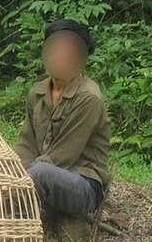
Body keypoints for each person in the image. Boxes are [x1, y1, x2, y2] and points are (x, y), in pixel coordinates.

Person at [14, 19, 111, 225]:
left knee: (39, 174)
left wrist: (22, 179)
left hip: (83, 185)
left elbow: (62, 156)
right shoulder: (37, 92)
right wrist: (11, 174)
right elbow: (26, 144)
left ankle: (5, 233)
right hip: (38, 173)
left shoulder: (88, 97)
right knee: (4, 179)